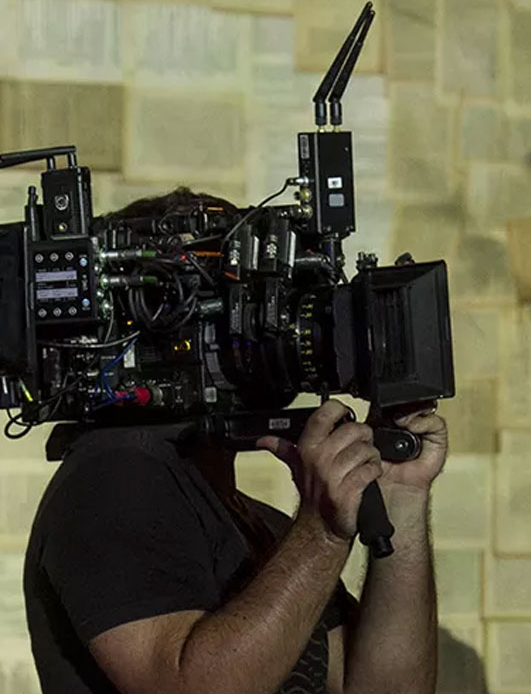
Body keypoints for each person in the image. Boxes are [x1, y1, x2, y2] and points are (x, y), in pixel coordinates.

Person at [23, 189, 447, 694]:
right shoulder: (114, 479)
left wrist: (401, 494)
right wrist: (322, 534)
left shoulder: (256, 521)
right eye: (245, 300)